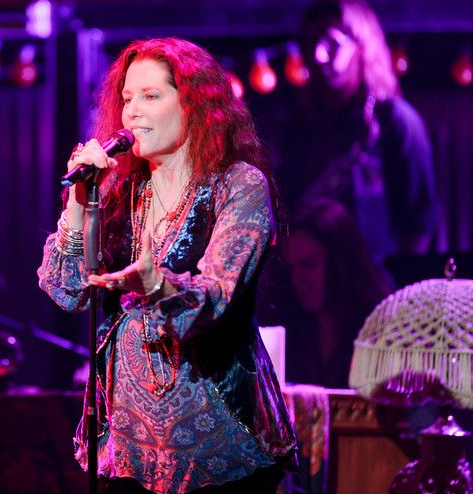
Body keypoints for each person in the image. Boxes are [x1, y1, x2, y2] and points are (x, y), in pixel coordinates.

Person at [37, 38, 296, 493]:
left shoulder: (237, 186)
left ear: (194, 105)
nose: (132, 112)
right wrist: (79, 201)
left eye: (150, 96)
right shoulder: (118, 193)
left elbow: (217, 294)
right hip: (129, 450)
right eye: (127, 99)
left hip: (220, 444)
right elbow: (67, 291)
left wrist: (157, 285)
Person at [277, 0, 437, 263]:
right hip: (308, 279)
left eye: (332, 43)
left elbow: (420, 218)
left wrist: (401, 278)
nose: (317, 55)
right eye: (311, 42)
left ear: (362, 47)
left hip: (378, 280)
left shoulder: (395, 120)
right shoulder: (299, 122)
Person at [283, 198, 393, 388]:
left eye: (309, 264)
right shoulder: (296, 329)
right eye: (291, 268)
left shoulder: (382, 326)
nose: (297, 279)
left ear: (340, 261)